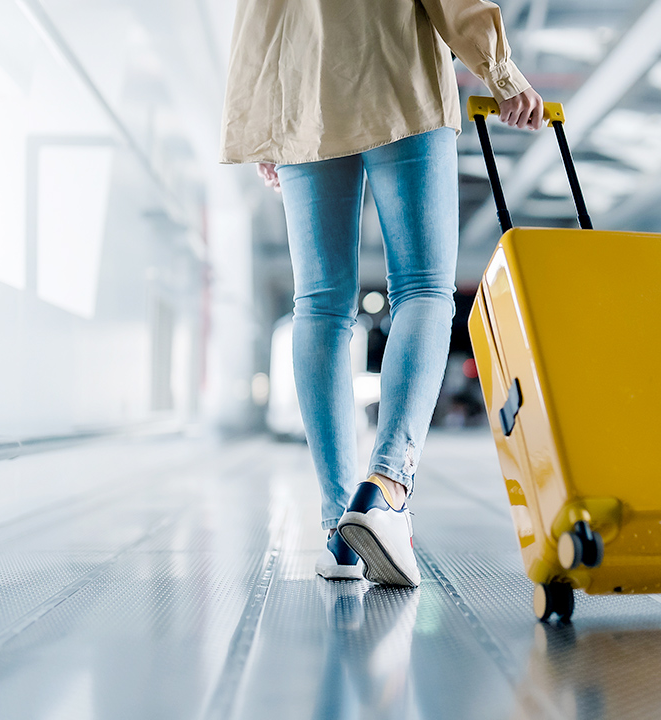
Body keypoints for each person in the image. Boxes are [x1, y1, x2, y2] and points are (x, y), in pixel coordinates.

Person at [220, 0, 543, 587]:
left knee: (318, 305)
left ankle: (339, 530)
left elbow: (255, 14)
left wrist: (260, 120)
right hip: (400, 76)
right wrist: (500, 71)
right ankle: (388, 488)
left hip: (300, 94)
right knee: (423, 289)